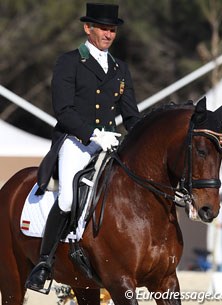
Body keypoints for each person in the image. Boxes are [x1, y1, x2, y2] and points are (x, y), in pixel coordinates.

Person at [25, 2, 141, 292]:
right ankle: (43, 263)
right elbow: (63, 110)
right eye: (103, 28)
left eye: (112, 30)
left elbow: (131, 116)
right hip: (76, 142)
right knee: (66, 200)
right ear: (87, 28)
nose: (108, 34)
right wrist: (93, 134)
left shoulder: (120, 68)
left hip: (110, 143)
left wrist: (144, 135)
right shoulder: (69, 61)